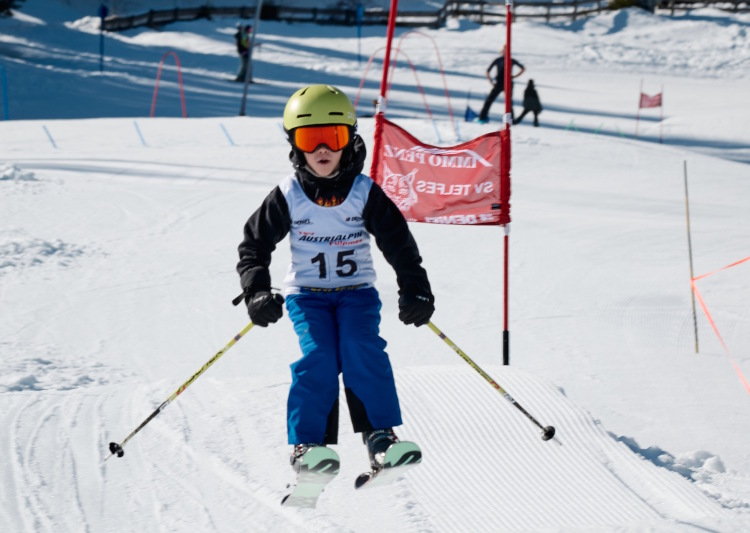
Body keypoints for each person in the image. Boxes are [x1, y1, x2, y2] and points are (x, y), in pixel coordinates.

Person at [236, 84, 435, 473]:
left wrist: (416, 289)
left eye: (333, 137)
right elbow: (254, 245)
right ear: (295, 144)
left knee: (362, 348)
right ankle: (307, 445)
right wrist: (256, 292)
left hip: (356, 294)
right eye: (310, 139)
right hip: (307, 296)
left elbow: (398, 244)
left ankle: (380, 437)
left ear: (349, 139)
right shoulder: (289, 194)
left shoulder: (364, 192)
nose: (322, 149)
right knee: (319, 357)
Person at [476, 45, 525, 124]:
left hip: (508, 83)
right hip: (499, 83)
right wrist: (491, 81)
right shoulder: (498, 60)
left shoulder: (510, 60)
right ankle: (482, 117)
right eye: (504, 50)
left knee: (508, 102)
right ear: (502, 51)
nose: (505, 52)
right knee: (490, 100)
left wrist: (514, 76)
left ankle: (511, 120)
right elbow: (487, 71)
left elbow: (523, 68)